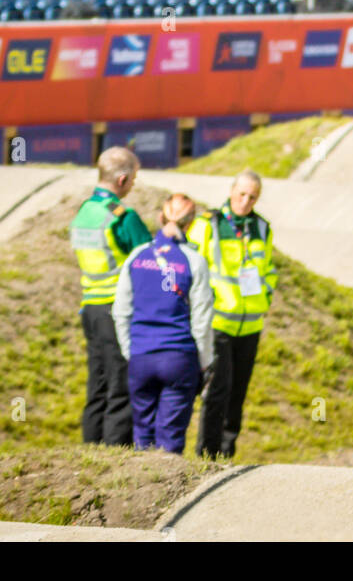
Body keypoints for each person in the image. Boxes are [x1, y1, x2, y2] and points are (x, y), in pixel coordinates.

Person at [112, 192, 214, 455]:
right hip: (179, 358)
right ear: (190, 224)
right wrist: (204, 362)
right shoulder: (194, 261)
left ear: (160, 218)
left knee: (142, 435)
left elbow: (121, 311)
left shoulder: (136, 256)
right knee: (170, 439)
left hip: (141, 357)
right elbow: (202, 319)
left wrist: (129, 351)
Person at [188, 171, 277, 460]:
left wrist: (265, 298)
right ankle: (207, 456)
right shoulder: (208, 224)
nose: (245, 201)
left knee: (238, 393)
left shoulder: (262, 228)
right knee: (217, 392)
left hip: (250, 325)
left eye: (252, 197)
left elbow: (269, 271)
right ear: (231, 191)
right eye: (242, 194)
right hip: (218, 323)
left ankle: (226, 456)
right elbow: (192, 268)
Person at [69, 146, 153, 447]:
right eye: (133, 179)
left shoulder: (84, 212)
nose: (133, 185)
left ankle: (90, 453)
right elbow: (151, 262)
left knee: (98, 386)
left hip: (90, 309)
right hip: (117, 312)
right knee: (122, 388)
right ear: (122, 180)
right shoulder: (122, 217)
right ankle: (116, 457)